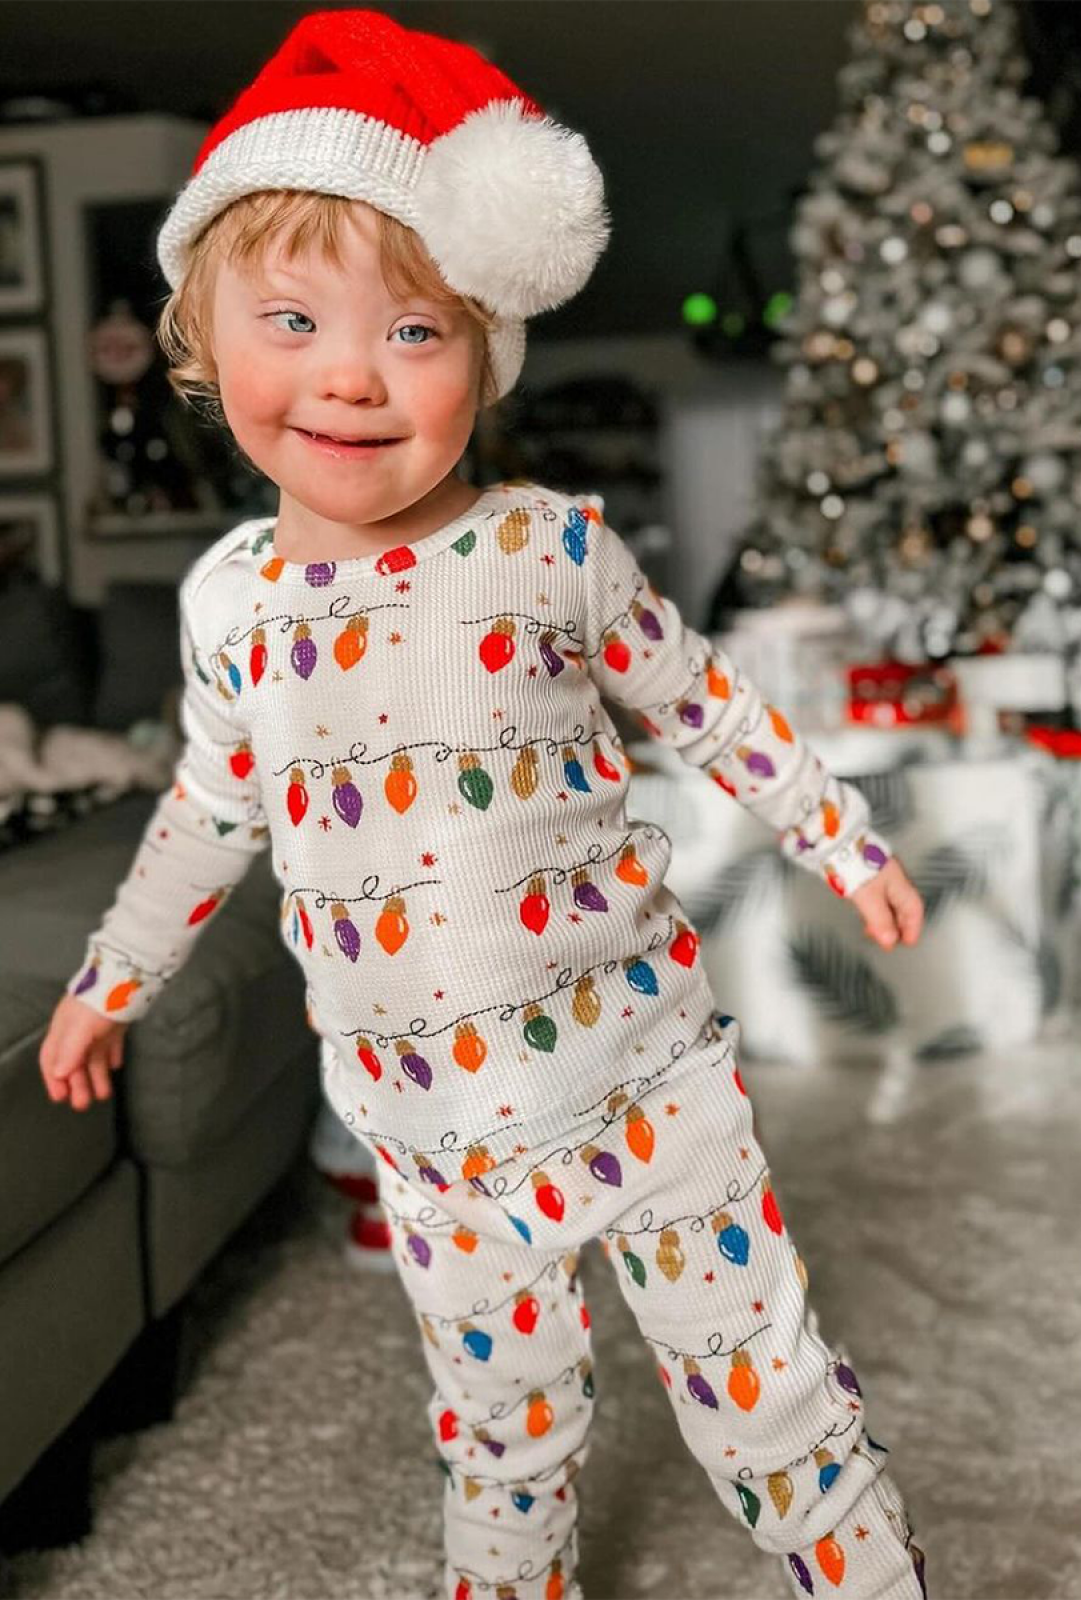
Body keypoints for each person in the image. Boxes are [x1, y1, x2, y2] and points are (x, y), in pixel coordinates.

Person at [38, 12, 928, 1599]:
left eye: (419, 333)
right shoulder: (234, 603)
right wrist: (112, 982)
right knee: (502, 1433)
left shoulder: (549, 551)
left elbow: (703, 701)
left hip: (647, 1083)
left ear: (488, 356)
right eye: (293, 319)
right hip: (435, 1135)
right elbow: (204, 813)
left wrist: (838, 834)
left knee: (764, 1396)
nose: (352, 378)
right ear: (201, 339)